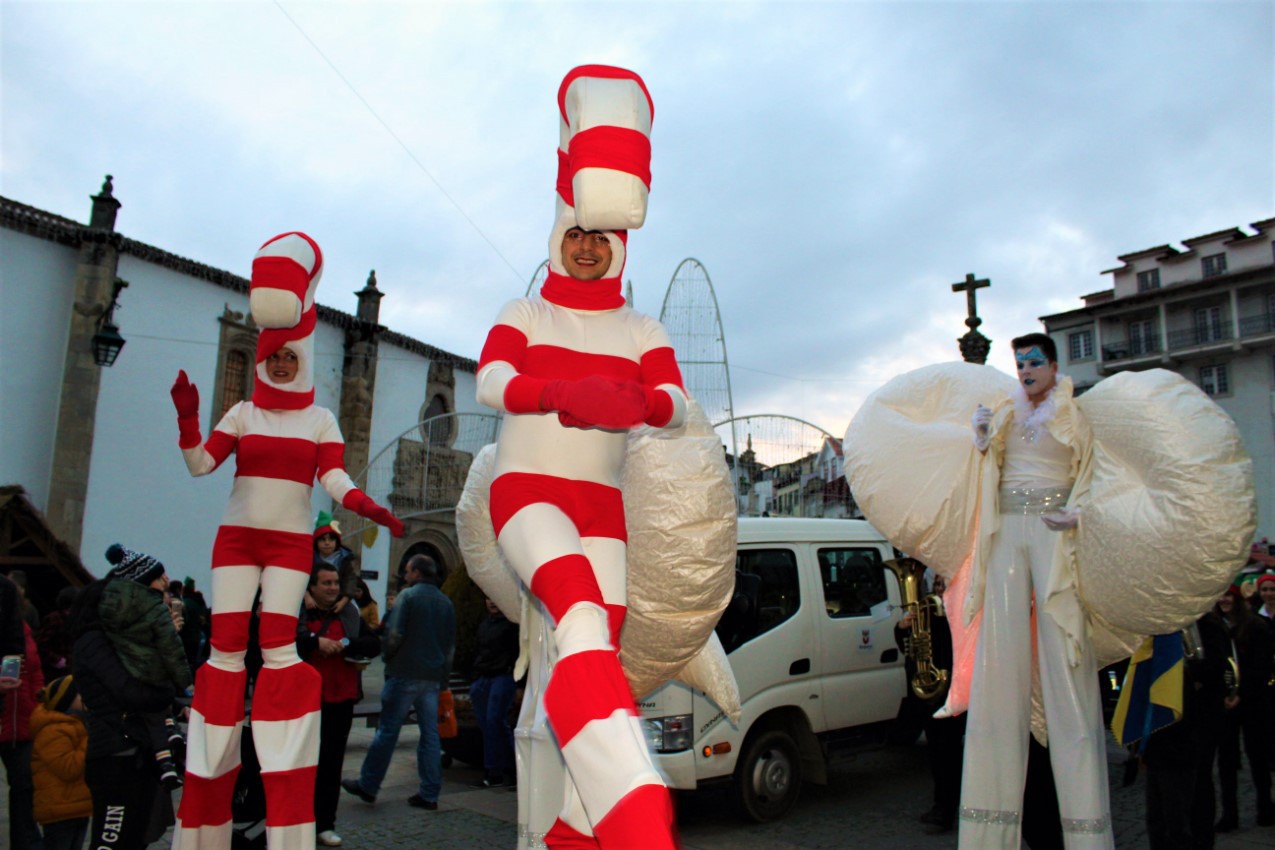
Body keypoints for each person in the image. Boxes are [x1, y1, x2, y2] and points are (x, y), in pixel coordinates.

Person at [474, 65, 684, 849]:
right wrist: (560, 396)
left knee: (596, 658)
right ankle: (633, 805)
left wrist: (634, 402)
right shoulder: (524, 309)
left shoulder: (642, 328)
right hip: (526, 492)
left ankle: (576, 827)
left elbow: (676, 404)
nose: (588, 247)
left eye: (601, 236)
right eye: (574, 235)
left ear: (620, 243)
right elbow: (491, 379)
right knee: (582, 614)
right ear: (555, 239)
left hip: (603, 507)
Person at [168, 232, 404, 849]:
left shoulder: (319, 420)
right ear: (264, 356)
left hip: (290, 544)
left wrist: (369, 507)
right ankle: (208, 813)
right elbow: (199, 466)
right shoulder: (242, 413)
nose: (279, 365)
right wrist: (189, 420)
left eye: (289, 358)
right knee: (223, 654)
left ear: (301, 360)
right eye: (273, 356)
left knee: (277, 651)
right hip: (237, 540)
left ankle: (289, 811)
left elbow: (333, 479)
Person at [958, 333, 1112, 848]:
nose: (1024, 370)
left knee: (1063, 648)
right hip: (1007, 531)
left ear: (1053, 366)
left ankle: (1085, 830)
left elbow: (1093, 470)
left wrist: (1080, 512)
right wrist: (981, 442)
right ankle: (989, 827)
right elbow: (989, 472)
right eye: (1019, 362)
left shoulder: (1075, 413)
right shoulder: (1004, 412)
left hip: (1051, 530)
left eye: (1033, 362)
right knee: (997, 659)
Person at [342, 554, 454, 811]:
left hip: (404, 672)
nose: (405, 576)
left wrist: (388, 658)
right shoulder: (446, 603)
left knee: (387, 732)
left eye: (407, 571)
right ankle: (429, 793)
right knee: (430, 736)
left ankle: (369, 785)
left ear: (416, 572)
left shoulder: (408, 596)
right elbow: (449, 647)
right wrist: (444, 679)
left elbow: (395, 634)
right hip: (431, 677)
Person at [71, 579, 177, 850]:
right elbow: (133, 691)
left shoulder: (115, 641)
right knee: (111, 838)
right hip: (115, 753)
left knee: (133, 837)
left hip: (132, 750)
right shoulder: (94, 642)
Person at [296, 562, 380, 847]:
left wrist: (345, 643)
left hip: (340, 699)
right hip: (305, 701)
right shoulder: (301, 613)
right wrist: (315, 643)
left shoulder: (349, 612)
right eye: (326, 583)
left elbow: (374, 644)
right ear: (312, 587)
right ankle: (297, 821)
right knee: (303, 764)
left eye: (335, 583)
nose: (332, 588)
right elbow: (289, 642)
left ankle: (324, 824)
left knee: (331, 765)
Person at [100, 544, 191, 790]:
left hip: (127, 674)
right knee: (160, 705)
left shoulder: (111, 604)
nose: (166, 580)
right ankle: (168, 758)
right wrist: (186, 683)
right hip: (151, 677)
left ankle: (169, 738)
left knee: (155, 713)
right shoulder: (154, 608)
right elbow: (171, 650)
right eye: (160, 577)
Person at [1139, 612, 1231, 850]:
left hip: (1195, 724)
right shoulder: (1160, 620)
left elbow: (1214, 668)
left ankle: (1200, 840)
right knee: (1160, 808)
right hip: (1164, 729)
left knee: (1195, 789)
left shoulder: (1207, 624)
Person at [894, 571, 964, 834]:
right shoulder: (925, 613)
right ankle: (941, 807)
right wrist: (903, 628)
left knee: (949, 753)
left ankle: (948, 811)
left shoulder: (958, 614)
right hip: (929, 694)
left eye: (943, 585)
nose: (938, 589)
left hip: (953, 692)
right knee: (937, 754)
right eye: (935, 584)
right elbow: (909, 647)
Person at [1213, 584, 1273, 830]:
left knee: (1258, 757)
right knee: (1226, 761)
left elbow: (1262, 666)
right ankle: (1230, 814)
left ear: (1236, 598)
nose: (1223, 600)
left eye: (1228, 595)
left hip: (1253, 702)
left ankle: (1265, 808)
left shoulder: (1256, 626)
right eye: (1220, 595)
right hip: (1225, 704)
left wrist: (1242, 693)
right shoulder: (1214, 626)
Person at [31, 675, 92, 850]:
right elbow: (68, 768)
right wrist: (89, 739)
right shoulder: (53, 730)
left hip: (76, 805)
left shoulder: (76, 725)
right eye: (80, 695)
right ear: (67, 700)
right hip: (59, 810)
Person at [1, 620, 46, 850]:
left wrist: (38, 696)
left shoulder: (22, 628)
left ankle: (25, 840)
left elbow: (35, 668)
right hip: (6, 715)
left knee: (24, 783)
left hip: (22, 719)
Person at [469, 597, 519, 789]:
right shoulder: (485, 624)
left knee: (494, 723)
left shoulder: (510, 625)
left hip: (502, 676)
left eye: (494, 598)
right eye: (488, 598)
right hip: (486, 678)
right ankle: (498, 770)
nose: (491, 602)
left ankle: (501, 770)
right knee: (490, 725)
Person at [313, 512, 360, 599]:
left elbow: (350, 579)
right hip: (313, 600)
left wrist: (346, 598)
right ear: (316, 542)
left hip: (338, 599)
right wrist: (306, 596)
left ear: (337, 542)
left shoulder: (344, 559)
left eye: (331, 539)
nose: (327, 543)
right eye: (322, 539)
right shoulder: (310, 558)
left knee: (352, 611)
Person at [35, 587, 79, 679]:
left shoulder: (75, 621)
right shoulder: (54, 619)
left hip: (67, 671)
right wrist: (57, 660)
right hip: (51, 671)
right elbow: (41, 644)